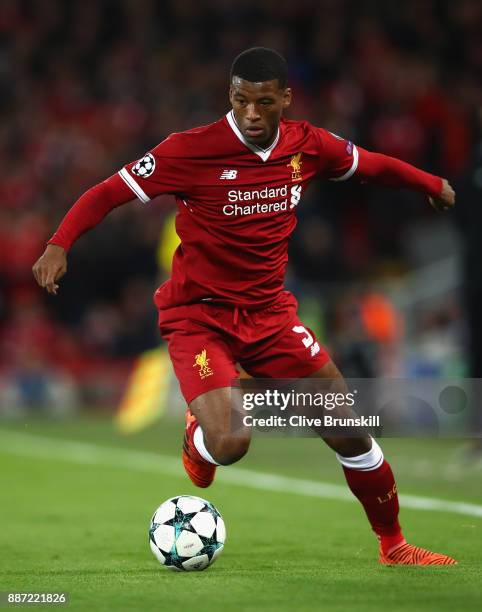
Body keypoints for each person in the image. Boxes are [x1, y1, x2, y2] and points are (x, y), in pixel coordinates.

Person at [33, 47, 457, 565]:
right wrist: (59, 243)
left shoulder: (308, 146)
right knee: (232, 442)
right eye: (240, 101)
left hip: (271, 315)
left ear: (285, 99)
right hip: (199, 315)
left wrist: (430, 183)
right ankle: (200, 440)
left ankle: (394, 546)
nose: (251, 113)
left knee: (349, 426)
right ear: (229, 98)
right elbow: (107, 193)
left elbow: (369, 163)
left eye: (262, 102)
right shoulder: (189, 150)